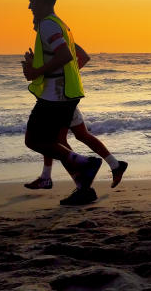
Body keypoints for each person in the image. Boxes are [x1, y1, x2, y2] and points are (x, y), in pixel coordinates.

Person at [22, 0, 106, 206]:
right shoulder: (58, 25)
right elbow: (67, 57)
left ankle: (85, 164)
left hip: (55, 95)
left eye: (32, 1)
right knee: (54, 143)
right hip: (62, 93)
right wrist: (35, 66)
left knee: (34, 140)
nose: (29, 6)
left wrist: (35, 71)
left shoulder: (48, 25)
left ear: (44, 1)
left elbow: (65, 56)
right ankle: (83, 188)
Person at [24, 38, 128, 191]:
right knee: (77, 136)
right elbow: (80, 58)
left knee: (55, 140)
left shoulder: (56, 39)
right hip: (62, 97)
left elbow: (83, 57)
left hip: (59, 99)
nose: (34, 22)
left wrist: (63, 75)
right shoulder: (50, 41)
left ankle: (78, 179)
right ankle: (115, 165)